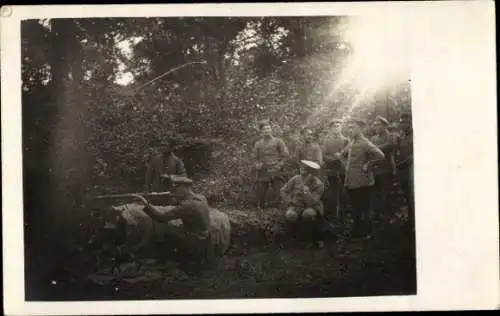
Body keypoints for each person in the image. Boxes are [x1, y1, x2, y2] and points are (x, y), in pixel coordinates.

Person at [132, 176, 212, 274]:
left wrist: (145, 203)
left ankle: (165, 264)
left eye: (176, 189)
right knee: (173, 231)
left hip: (194, 243)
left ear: (185, 188)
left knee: (162, 234)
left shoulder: (187, 205)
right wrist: (176, 199)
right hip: (205, 240)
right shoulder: (201, 198)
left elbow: (161, 218)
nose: (173, 191)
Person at [336, 118, 385, 239]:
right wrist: (345, 164)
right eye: (350, 127)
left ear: (361, 129)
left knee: (365, 208)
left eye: (354, 127)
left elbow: (381, 155)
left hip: (363, 181)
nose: (351, 129)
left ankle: (367, 232)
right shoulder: (351, 142)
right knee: (355, 207)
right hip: (351, 180)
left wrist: (368, 164)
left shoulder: (365, 143)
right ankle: (356, 232)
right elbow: (341, 154)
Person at [280, 160, 326, 249]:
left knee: (308, 215)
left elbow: (313, 202)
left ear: (312, 173)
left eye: (308, 172)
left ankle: (309, 240)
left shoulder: (319, 184)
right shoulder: (296, 178)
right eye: (303, 169)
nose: (304, 174)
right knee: (290, 215)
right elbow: (283, 190)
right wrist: (289, 201)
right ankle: (294, 239)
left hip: (311, 206)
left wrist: (306, 191)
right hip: (296, 205)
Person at [253, 120, 290, 208]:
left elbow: (285, 156)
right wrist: (257, 164)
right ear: (261, 131)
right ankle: (261, 211)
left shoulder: (278, 141)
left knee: (281, 192)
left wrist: (279, 165)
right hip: (263, 170)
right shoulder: (258, 143)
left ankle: (283, 210)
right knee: (260, 193)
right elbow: (254, 157)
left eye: (268, 128)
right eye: (264, 129)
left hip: (276, 169)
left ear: (271, 130)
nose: (267, 130)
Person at [370, 116, 398, 222]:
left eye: (378, 125)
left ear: (385, 125)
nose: (376, 127)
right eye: (375, 125)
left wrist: (375, 149)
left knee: (386, 192)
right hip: (375, 170)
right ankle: (377, 215)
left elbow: (390, 145)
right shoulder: (373, 138)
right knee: (376, 194)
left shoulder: (391, 136)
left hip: (386, 169)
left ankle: (389, 215)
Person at [322, 118, 350, 219]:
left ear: (341, 127)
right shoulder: (326, 140)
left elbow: (349, 155)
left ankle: (344, 212)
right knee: (333, 191)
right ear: (331, 128)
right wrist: (333, 159)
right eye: (334, 126)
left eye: (338, 126)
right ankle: (333, 213)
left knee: (344, 190)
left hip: (342, 169)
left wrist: (341, 158)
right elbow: (324, 155)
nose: (336, 128)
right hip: (331, 169)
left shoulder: (346, 140)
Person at [395, 113, 414, 229]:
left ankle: (414, 221)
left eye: (405, 122)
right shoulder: (401, 136)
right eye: (401, 122)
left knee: (413, 196)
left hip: (412, 168)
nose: (403, 124)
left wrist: (404, 162)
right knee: (406, 195)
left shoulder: (414, 135)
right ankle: (410, 219)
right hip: (403, 170)